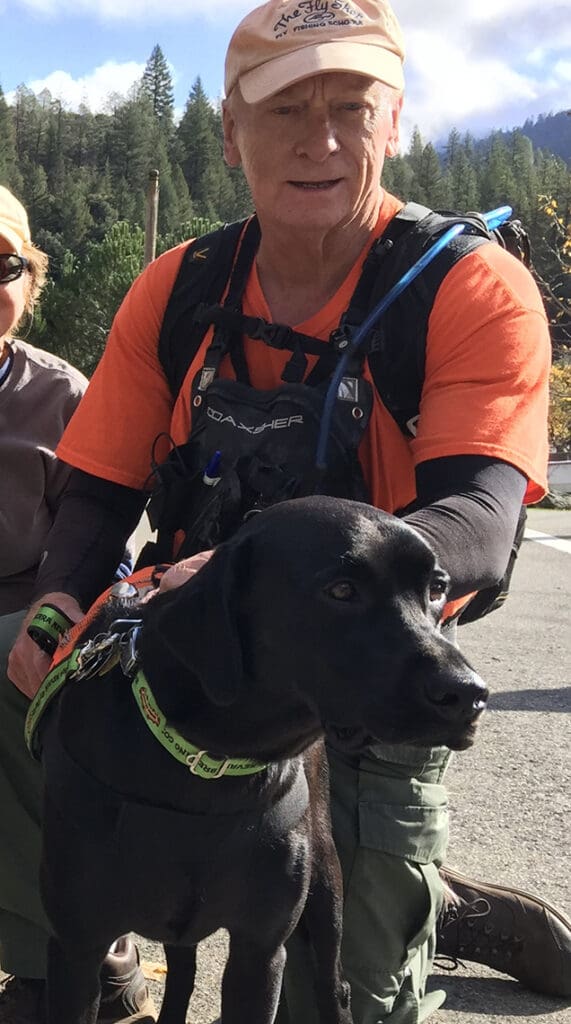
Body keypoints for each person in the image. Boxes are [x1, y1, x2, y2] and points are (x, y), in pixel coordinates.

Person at [7, 0, 571, 1020]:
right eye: (284, 109)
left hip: (381, 670)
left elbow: (478, 520)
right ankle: (74, 953)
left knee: (341, 993)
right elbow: (95, 493)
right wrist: (53, 610)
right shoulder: (180, 289)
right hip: (203, 653)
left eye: (350, 106)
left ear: (391, 123)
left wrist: (289, 573)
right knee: (14, 660)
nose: (319, 139)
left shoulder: (467, 289)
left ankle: (422, 897)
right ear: (230, 132)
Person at [0, 185, 155, 1024]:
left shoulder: (63, 395)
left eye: (2, 263)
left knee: (6, 669)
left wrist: (52, 622)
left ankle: (77, 956)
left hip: (37, 614)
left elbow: (101, 552)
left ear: (33, 283)